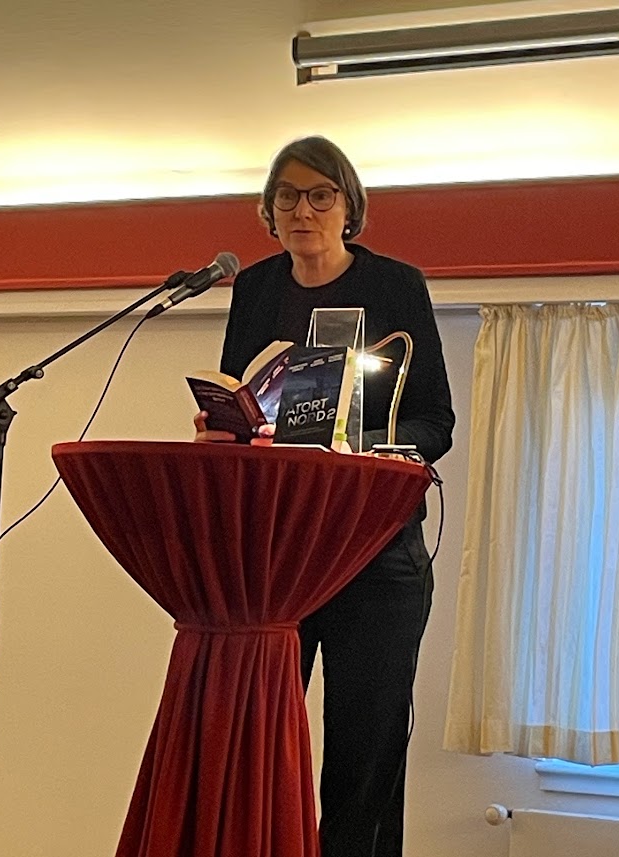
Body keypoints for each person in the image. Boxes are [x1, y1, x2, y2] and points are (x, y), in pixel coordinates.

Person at [194, 136, 454, 857]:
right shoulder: (256, 289)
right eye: (286, 196)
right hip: (279, 552)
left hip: (375, 553)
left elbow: (436, 422)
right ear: (268, 210)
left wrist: (368, 451)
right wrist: (224, 426)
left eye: (319, 195)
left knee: (364, 760)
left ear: (348, 206)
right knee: (257, 748)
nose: (301, 210)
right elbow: (244, 401)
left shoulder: (396, 285)